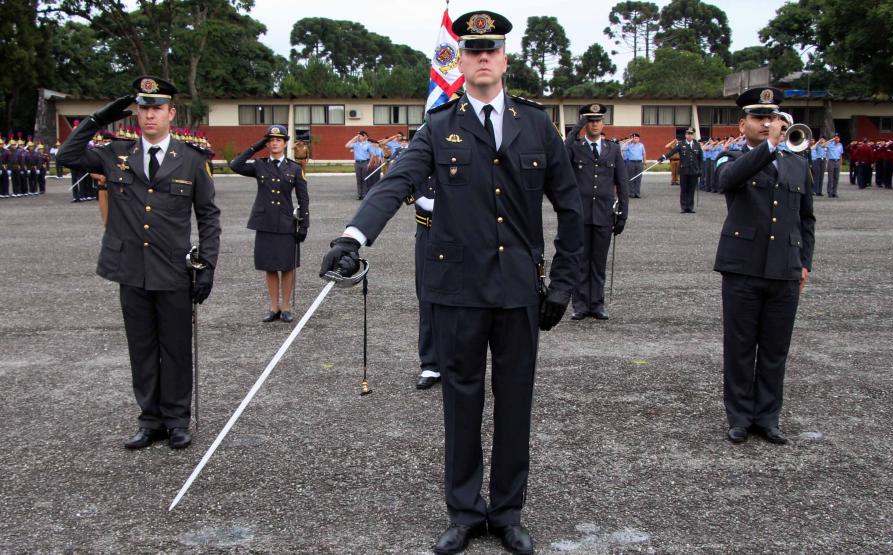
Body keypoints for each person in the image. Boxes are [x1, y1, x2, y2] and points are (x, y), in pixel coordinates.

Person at [320, 11, 582, 555]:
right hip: (458, 292)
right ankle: (464, 512)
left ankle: (507, 512)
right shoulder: (438, 127)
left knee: (514, 402)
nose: (482, 57)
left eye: (492, 49)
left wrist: (563, 282)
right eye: (472, 50)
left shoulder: (537, 126)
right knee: (461, 404)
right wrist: (352, 238)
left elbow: (572, 208)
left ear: (504, 59)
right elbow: (396, 184)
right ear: (458, 62)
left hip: (516, 292)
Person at [57, 75, 221, 450]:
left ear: (171, 113)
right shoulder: (115, 152)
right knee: (142, 349)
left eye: (157, 108)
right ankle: (150, 420)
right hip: (131, 268)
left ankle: (177, 420)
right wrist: (99, 119)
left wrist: (207, 264)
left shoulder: (191, 160)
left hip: (173, 270)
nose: (149, 115)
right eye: (143, 108)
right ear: (136, 114)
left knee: (176, 349)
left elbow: (209, 216)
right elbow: (66, 157)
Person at [713, 87, 815, 445]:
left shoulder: (798, 162)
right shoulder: (729, 156)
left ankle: (768, 417)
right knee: (740, 346)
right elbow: (726, 181)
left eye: (772, 117)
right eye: (759, 118)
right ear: (743, 124)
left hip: (784, 269)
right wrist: (769, 146)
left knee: (775, 349)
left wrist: (804, 263)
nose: (767, 123)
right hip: (742, 267)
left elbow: (806, 219)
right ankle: (739, 416)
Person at [230, 125, 309, 323]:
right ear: (267, 143)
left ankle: (286, 307)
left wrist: (304, 224)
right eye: (271, 140)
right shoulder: (259, 164)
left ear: (284, 143)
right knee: (270, 266)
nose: (274, 143)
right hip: (264, 222)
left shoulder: (294, 168)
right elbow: (235, 165)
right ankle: (273, 307)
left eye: (278, 140)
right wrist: (255, 146)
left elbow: (303, 198)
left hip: (285, 223)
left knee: (287, 266)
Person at [564, 103, 628, 320]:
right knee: (580, 261)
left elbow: (622, 183)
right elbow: (561, 153)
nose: (594, 125)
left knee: (598, 262)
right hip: (581, 214)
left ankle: (597, 304)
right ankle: (580, 305)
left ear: (603, 123)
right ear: (585, 124)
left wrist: (623, 213)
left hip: (603, 214)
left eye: (598, 120)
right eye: (590, 121)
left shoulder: (613, 148)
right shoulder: (575, 147)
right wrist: (576, 128)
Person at [410, 176, 440, 390]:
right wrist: (422, 199)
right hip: (426, 231)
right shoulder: (418, 158)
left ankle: (455, 361)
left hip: (458, 231)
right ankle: (430, 363)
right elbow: (406, 184)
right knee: (426, 296)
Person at [659, 127, 703, 213]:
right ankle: (684, 207)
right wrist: (663, 157)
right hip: (684, 170)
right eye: (688, 134)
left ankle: (690, 207)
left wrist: (700, 170)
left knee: (691, 189)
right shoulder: (681, 144)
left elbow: (700, 158)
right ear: (685, 135)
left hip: (694, 171)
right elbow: (672, 152)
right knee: (684, 189)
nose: (689, 136)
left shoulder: (697, 145)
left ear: (693, 135)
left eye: (691, 134)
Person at [344, 130, 371, 199]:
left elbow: (372, 154)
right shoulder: (355, 144)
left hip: (365, 163)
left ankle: (365, 195)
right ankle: (359, 195)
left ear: (363, 136)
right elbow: (346, 146)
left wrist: (370, 163)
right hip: (357, 163)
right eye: (358, 136)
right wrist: (354, 138)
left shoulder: (368, 144)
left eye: (360, 136)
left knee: (364, 179)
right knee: (358, 180)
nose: (358, 137)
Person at [622, 132, 645, 198]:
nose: (636, 139)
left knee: (638, 178)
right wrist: (628, 141)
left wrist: (644, 161)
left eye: (637, 138)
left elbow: (644, 153)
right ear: (632, 139)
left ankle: (637, 193)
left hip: (639, 163)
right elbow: (622, 149)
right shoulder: (629, 145)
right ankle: (631, 193)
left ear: (639, 139)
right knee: (631, 178)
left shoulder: (641, 145)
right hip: (631, 163)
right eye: (634, 138)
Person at [825, 133, 843, 197]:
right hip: (831, 161)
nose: (836, 139)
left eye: (838, 138)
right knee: (830, 178)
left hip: (837, 161)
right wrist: (831, 140)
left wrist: (841, 163)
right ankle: (829, 192)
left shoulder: (840, 145)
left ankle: (834, 192)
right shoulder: (829, 144)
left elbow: (840, 154)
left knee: (836, 178)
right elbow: (823, 145)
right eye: (835, 138)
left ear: (839, 139)